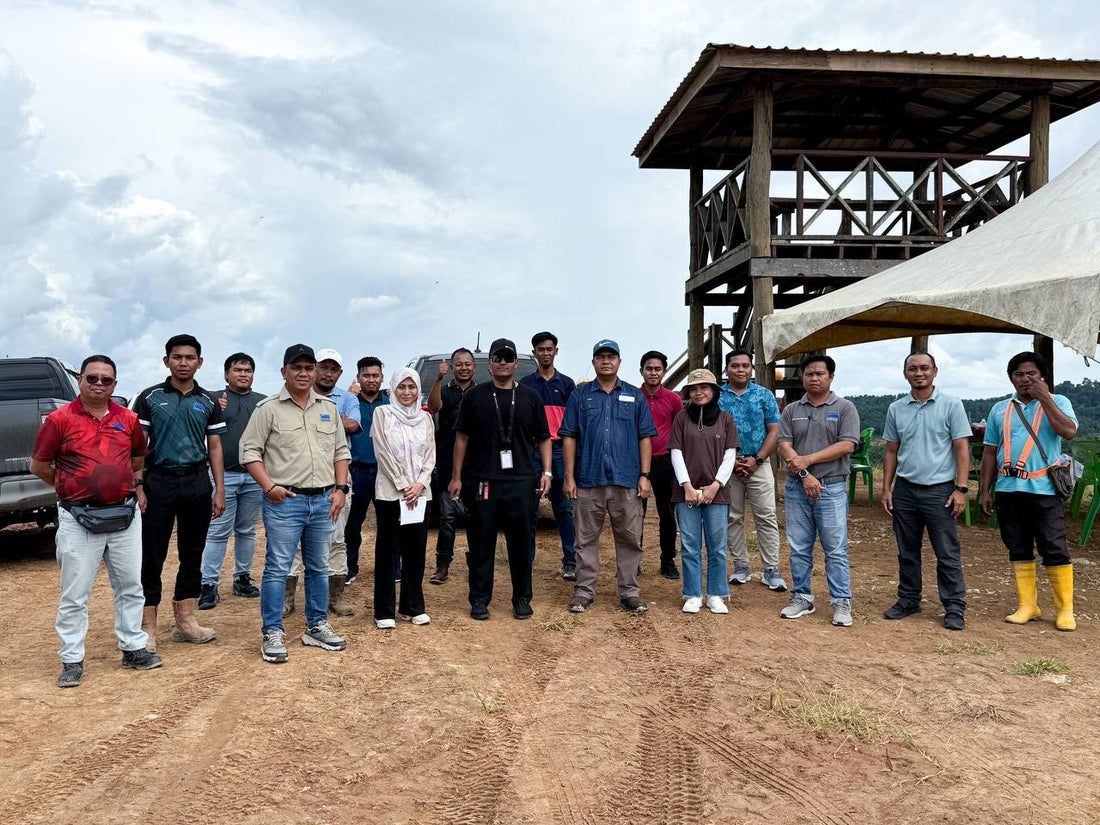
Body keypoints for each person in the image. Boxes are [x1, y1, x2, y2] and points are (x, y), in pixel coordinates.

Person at [30, 355, 162, 687]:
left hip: (124, 514)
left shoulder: (128, 419)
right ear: (80, 380)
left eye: (107, 380)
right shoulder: (59, 420)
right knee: (75, 593)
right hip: (78, 517)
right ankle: (72, 658)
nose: (99, 384)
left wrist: (132, 487)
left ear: (115, 384)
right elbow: (40, 466)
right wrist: (70, 487)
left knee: (131, 586)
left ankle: (133, 648)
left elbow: (136, 460)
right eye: (93, 378)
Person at [240, 344, 351, 664]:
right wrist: (269, 486)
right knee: (277, 568)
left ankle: (316, 626)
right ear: (284, 372)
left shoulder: (327, 408)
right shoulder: (268, 409)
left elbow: (340, 452)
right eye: (297, 367)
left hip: (323, 501)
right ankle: (272, 631)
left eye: (309, 368)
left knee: (318, 566)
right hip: (284, 501)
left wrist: (341, 489)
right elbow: (250, 453)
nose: (304, 373)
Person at [133, 333, 226, 650]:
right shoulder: (150, 397)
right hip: (158, 480)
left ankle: (186, 620)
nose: (183, 362)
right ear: (166, 361)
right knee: (152, 553)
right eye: (177, 357)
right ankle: (147, 626)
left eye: (190, 358)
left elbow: (214, 445)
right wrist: (138, 484)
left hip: (197, 482)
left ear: (199, 362)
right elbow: (137, 446)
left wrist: (219, 489)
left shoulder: (209, 401)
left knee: (193, 551)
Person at [451, 338, 551, 620]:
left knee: (520, 544)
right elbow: (462, 437)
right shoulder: (475, 396)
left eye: (508, 358)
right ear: (490, 364)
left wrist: (547, 472)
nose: (503, 363)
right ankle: (480, 600)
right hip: (484, 480)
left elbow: (544, 437)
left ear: (516, 363)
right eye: (498, 358)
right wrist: (456, 476)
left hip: (521, 480)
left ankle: (522, 598)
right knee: (481, 543)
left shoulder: (531, 396)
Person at [980, 351, 1078, 631]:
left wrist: (1045, 397)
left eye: (1032, 374)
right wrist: (985, 490)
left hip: (1044, 488)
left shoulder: (1058, 402)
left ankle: (1064, 610)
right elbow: (990, 451)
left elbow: (1068, 432)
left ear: (1042, 376)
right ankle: (1028, 605)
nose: (1026, 379)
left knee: (1054, 546)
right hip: (1008, 488)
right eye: (1019, 374)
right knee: (1017, 546)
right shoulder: (1000, 408)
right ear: (1011, 378)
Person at [561, 339, 657, 615]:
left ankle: (630, 592)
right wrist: (569, 477)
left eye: (611, 356)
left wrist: (644, 475)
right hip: (588, 480)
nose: (606, 361)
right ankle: (584, 591)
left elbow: (645, 437)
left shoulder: (634, 396)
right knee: (585, 539)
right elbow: (569, 436)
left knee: (628, 538)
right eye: (600, 356)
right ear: (593, 362)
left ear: (619, 362)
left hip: (626, 480)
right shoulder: (580, 396)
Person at [881, 352, 972, 630]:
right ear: (905, 373)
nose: (919, 373)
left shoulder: (951, 405)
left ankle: (954, 607)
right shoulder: (897, 408)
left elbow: (961, 448)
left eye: (924, 368)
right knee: (907, 550)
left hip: (940, 491)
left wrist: (961, 488)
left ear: (935, 371)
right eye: (913, 369)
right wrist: (886, 488)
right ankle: (909, 599)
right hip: (906, 490)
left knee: (946, 552)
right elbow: (891, 450)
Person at [776, 354, 860, 627]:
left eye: (819, 374)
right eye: (809, 373)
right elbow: (784, 446)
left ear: (831, 377)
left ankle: (841, 602)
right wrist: (804, 474)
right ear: (803, 377)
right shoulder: (791, 410)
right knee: (799, 546)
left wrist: (809, 461)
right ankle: (802, 597)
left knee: (835, 548)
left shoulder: (845, 408)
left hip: (832, 487)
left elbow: (847, 445)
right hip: (797, 487)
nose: (813, 378)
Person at [285, 348, 361, 619]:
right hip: (299, 479)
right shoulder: (294, 397)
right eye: (323, 367)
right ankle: (287, 598)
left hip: (337, 480)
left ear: (340, 372)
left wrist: (326, 420)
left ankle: (334, 598)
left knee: (337, 539)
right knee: (292, 543)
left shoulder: (348, 398)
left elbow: (352, 425)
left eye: (334, 369)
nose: (328, 373)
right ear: (315, 369)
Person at [669, 369, 739, 614]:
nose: (699, 393)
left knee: (717, 545)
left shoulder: (726, 419)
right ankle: (692, 593)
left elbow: (730, 455)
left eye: (704, 388)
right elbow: (675, 452)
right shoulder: (681, 418)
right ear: (688, 393)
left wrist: (716, 485)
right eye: (694, 389)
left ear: (714, 391)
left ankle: (717, 593)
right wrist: (686, 485)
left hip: (716, 492)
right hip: (686, 492)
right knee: (689, 544)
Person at [198, 353, 265, 609]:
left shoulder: (262, 402)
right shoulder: (213, 399)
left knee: (246, 530)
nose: (243, 374)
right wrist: (214, 412)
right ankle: (208, 584)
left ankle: (242, 578)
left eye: (248, 370)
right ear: (227, 373)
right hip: (222, 475)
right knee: (217, 532)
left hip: (254, 476)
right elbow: (200, 429)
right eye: (237, 370)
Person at [371, 368, 436, 629]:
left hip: (420, 494)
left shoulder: (426, 418)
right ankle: (384, 611)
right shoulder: (383, 414)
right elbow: (382, 452)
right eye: (402, 387)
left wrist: (420, 484)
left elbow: (430, 454)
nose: (407, 392)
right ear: (393, 389)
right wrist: (402, 485)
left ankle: (412, 606)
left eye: (412, 387)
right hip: (390, 493)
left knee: (416, 550)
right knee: (387, 551)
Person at [719, 349, 786, 592]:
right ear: (727, 369)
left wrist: (757, 459)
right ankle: (741, 566)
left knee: (766, 516)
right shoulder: (717, 396)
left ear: (751, 369)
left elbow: (774, 431)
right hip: (727, 466)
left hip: (760, 463)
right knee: (732, 517)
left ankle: (771, 569)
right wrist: (732, 461)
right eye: (735, 366)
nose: (740, 370)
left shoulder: (764, 395)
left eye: (745, 366)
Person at [519, 332, 577, 578]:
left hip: (561, 449)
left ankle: (571, 561)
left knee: (564, 507)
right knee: (529, 508)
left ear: (556, 351)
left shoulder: (567, 384)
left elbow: (574, 423)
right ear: (534, 353)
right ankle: (526, 560)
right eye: (540, 349)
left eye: (549, 349)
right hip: (531, 450)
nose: (545, 353)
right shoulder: (525, 384)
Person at [427, 347, 477, 585]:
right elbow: (434, 407)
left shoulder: (482, 393)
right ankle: (442, 566)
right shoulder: (445, 391)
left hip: (477, 468)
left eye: (468, 364)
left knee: (477, 519)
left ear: (474, 367)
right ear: (453, 367)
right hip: (448, 465)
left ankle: (476, 563)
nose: (464, 368)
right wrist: (438, 378)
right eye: (459, 364)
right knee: (447, 519)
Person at [639, 350, 684, 579]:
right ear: (641, 371)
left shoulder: (673, 399)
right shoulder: (634, 396)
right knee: (636, 514)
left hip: (666, 462)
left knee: (667, 514)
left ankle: (667, 560)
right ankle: (633, 561)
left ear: (664, 371)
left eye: (657, 369)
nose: (653, 373)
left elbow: (680, 428)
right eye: (649, 368)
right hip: (638, 463)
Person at [344, 356, 387, 584]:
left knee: (389, 522)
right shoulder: (348, 401)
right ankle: (350, 567)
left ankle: (392, 566)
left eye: (375, 375)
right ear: (358, 377)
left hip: (385, 472)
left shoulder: (390, 401)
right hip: (356, 471)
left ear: (382, 377)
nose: (371, 379)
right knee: (352, 523)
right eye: (366, 375)